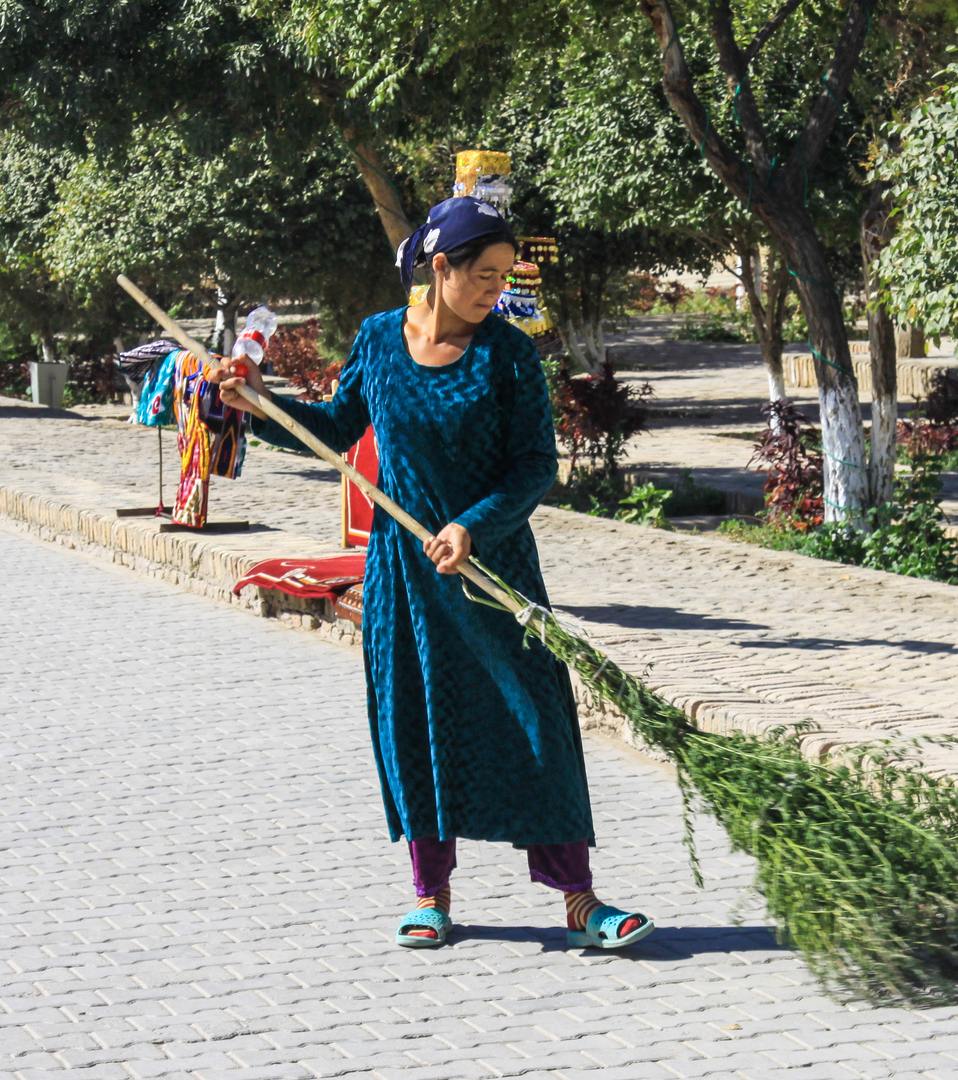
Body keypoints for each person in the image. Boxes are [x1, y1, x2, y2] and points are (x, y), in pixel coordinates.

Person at [219, 196, 654, 951]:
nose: (495, 290)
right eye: (483, 275)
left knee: (537, 722)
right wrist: (258, 405)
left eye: (504, 276)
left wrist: (472, 526)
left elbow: (533, 468)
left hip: (494, 572)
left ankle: (580, 900)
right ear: (440, 267)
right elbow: (334, 426)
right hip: (405, 573)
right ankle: (431, 893)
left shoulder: (509, 355)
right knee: (415, 720)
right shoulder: (381, 340)